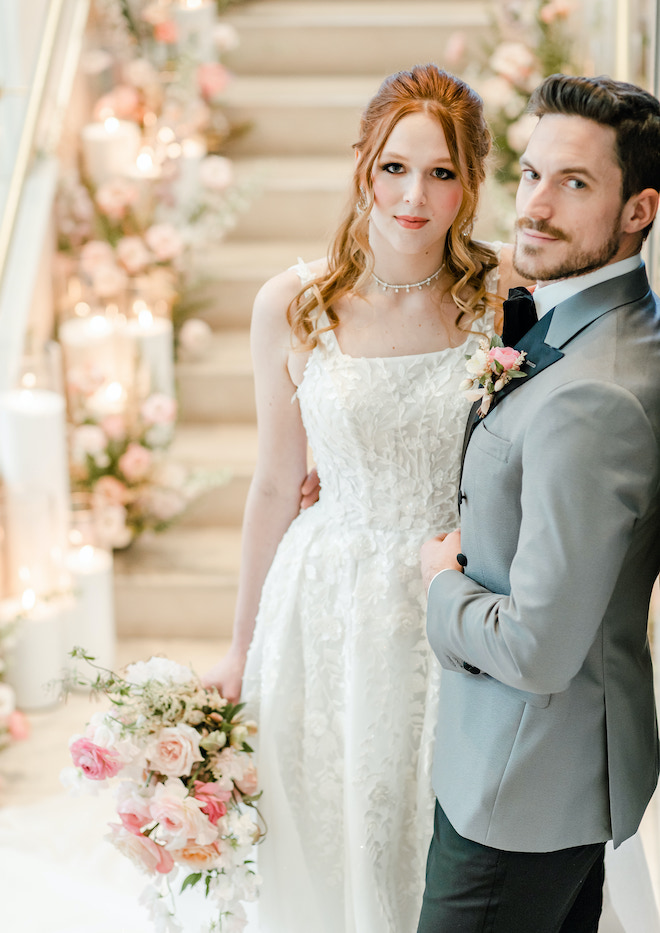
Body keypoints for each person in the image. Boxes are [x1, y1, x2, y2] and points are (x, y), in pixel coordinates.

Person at [202, 64, 523, 932]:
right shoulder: (296, 304)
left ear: (470, 185)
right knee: (328, 828)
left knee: (432, 836)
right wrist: (239, 649)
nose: (413, 195)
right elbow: (276, 481)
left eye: (442, 172)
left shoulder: (506, 300)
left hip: (449, 597)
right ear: (362, 166)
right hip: (324, 602)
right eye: (394, 166)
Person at [418, 72, 660, 933]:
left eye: (576, 182)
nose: (537, 205)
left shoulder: (598, 395)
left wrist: (440, 583)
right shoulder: (585, 324)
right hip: (538, 773)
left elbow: (535, 647)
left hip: (520, 791)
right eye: (530, 174)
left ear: (640, 209)